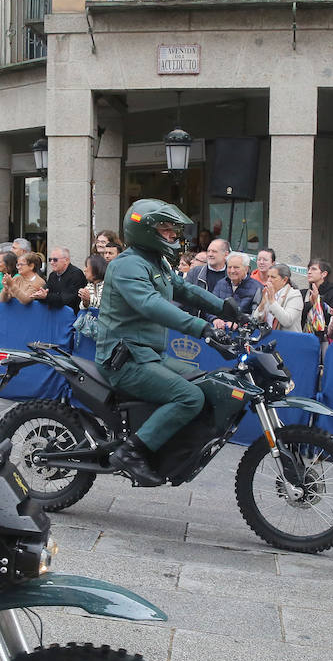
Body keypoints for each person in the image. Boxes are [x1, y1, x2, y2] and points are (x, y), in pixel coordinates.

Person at [96, 199, 238, 487]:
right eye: (165, 228)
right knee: (189, 397)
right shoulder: (127, 265)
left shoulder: (155, 261)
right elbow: (149, 304)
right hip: (124, 359)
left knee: (203, 383)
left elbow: (184, 289)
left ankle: (166, 448)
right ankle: (131, 452)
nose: (173, 235)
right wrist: (204, 329)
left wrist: (226, 309)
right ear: (145, 230)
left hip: (148, 354)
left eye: (173, 229)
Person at [210, 253, 261, 328]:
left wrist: (238, 323)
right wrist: (214, 319)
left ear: (246, 269)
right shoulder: (221, 284)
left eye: (236, 267)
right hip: (219, 330)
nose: (232, 271)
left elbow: (257, 316)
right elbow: (210, 305)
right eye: (229, 267)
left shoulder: (257, 288)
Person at [36, 246, 86, 313]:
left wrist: (46, 296)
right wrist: (40, 295)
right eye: (50, 259)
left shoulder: (76, 274)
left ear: (66, 260)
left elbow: (66, 299)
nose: (51, 262)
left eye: (55, 260)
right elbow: (47, 291)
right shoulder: (52, 275)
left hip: (72, 316)